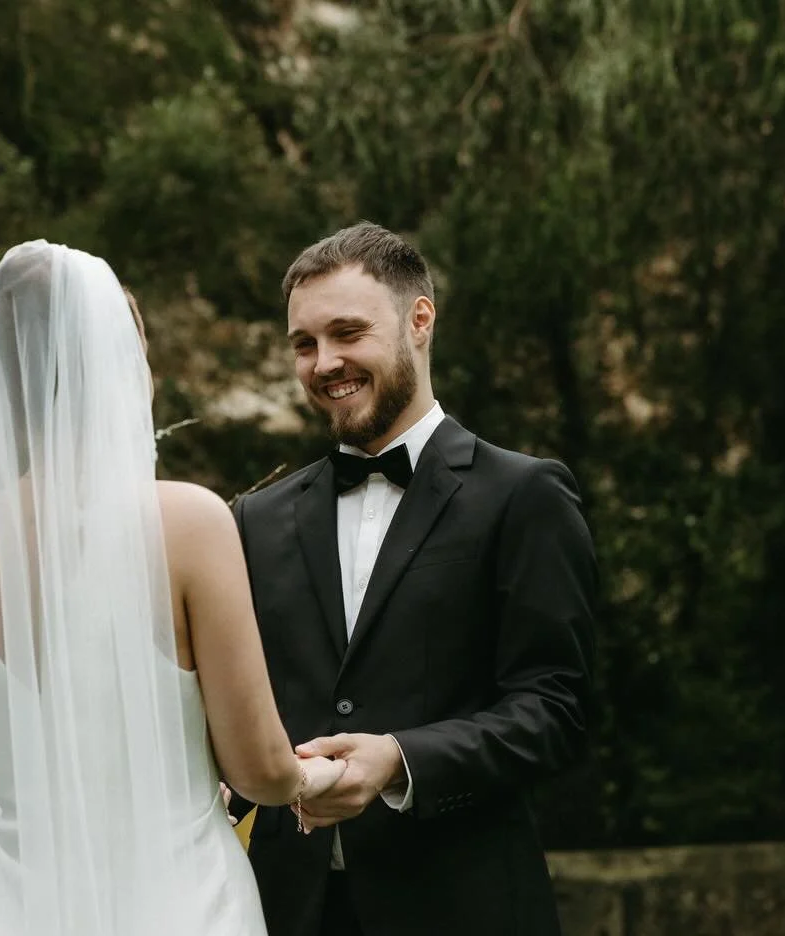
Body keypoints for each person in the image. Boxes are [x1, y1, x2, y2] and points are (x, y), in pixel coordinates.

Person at [0, 241, 346, 936]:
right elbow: (258, 768)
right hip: (185, 906)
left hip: (28, 912)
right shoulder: (187, 522)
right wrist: (314, 779)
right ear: (118, 363)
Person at [227, 222, 597, 936]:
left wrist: (399, 761)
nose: (324, 362)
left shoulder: (524, 495)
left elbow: (557, 710)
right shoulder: (253, 518)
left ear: (418, 320)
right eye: (304, 344)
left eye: (347, 333)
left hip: (465, 907)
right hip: (283, 910)